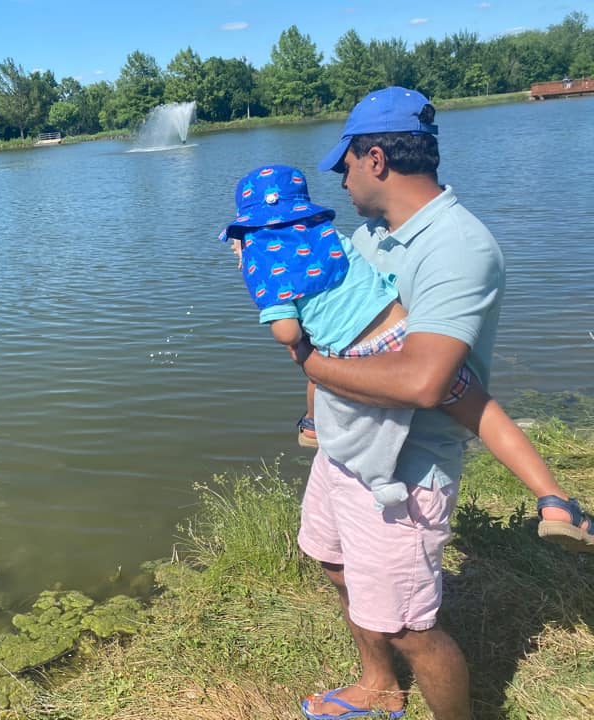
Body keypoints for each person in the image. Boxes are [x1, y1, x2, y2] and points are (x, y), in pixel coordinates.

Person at [223, 88, 590, 720]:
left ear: (374, 158)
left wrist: (306, 360)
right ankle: (379, 687)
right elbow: (331, 322)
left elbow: (425, 381)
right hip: (346, 445)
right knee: (333, 562)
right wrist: (313, 401)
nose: (338, 179)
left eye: (343, 164)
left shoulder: (457, 247)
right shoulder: (369, 237)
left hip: (404, 464)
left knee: (408, 627)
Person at [222, 162, 593, 520]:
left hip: (362, 356)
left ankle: (367, 471)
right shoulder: (329, 235)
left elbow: (288, 334)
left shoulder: (263, 266)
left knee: (356, 413)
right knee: (482, 410)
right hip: (403, 330)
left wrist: (291, 333)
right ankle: (554, 500)